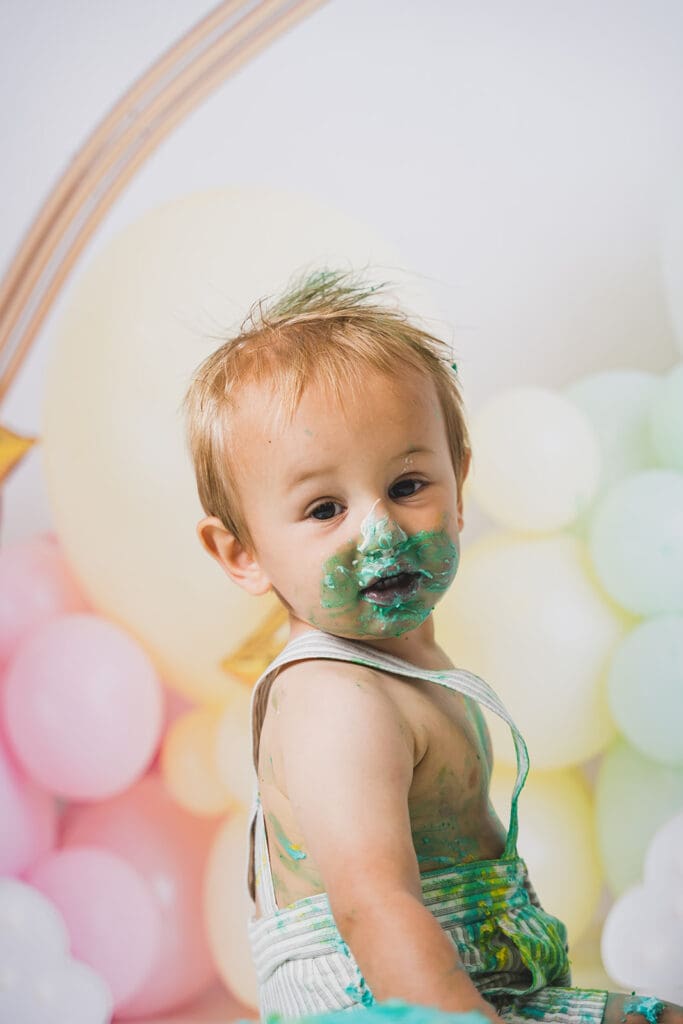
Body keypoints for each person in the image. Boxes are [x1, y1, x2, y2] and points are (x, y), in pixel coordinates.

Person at [183, 270, 681, 1024]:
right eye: (323, 508)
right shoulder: (332, 700)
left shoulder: (408, 666)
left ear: (459, 485)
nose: (378, 532)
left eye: (408, 484)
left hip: (486, 988)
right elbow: (372, 905)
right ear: (241, 553)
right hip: (397, 1005)